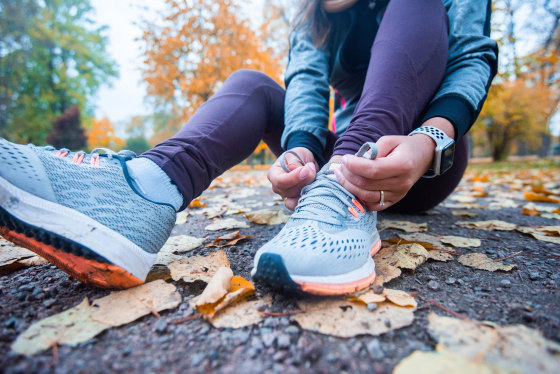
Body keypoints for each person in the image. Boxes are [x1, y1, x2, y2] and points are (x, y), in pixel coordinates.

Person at [0, 0, 497, 295]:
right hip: (337, 154)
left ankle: (347, 194)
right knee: (252, 84)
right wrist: (300, 149)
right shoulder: (315, 19)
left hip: (421, 155)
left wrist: (429, 139)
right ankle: (145, 189)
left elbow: (473, 56)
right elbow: (304, 83)